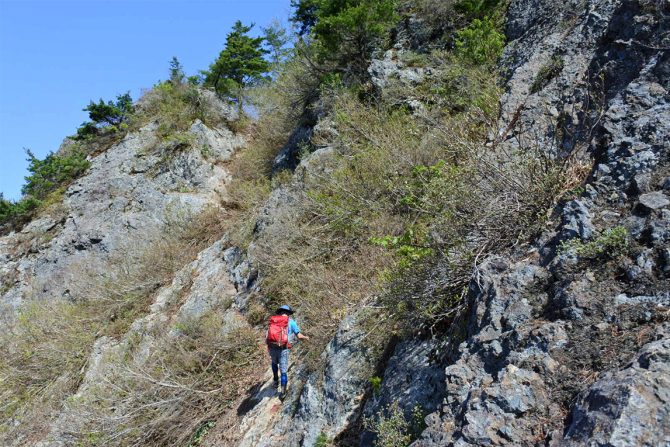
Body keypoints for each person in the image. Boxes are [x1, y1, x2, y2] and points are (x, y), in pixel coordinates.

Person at [266, 304, 308, 398]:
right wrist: (307, 338)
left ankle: (276, 380)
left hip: (272, 347)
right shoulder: (292, 322)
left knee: (274, 362)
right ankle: (283, 392)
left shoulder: (273, 321)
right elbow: (299, 336)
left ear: (280, 312)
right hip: (283, 349)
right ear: (288, 313)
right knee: (283, 371)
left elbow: (268, 335)